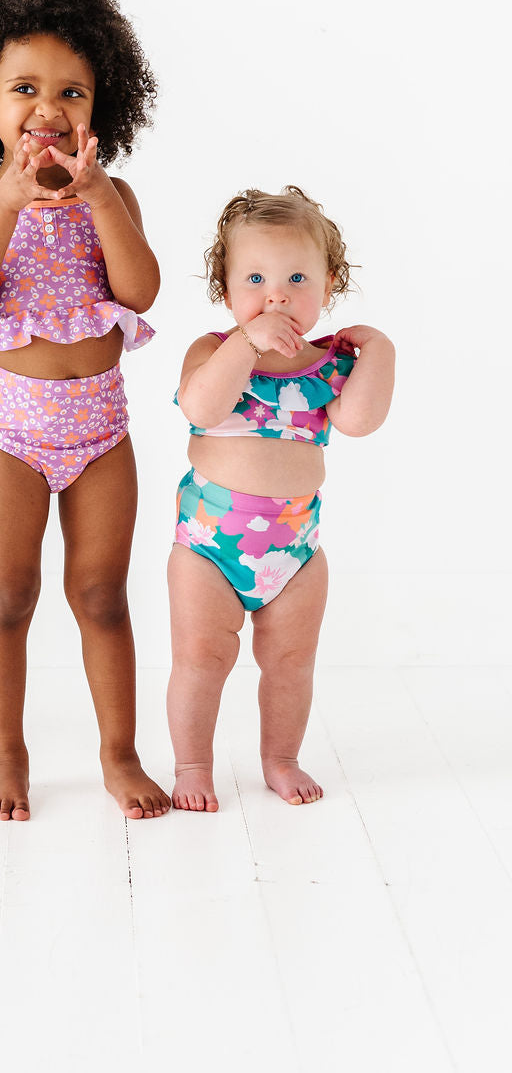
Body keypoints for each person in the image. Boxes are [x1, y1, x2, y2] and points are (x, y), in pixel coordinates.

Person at [0, 0, 170, 821]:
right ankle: (7, 752)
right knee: (8, 595)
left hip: (101, 430)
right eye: (24, 89)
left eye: (72, 91)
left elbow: (140, 290)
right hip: (10, 434)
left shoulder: (114, 195)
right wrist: (7, 201)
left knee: (102, 595)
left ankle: (120, 752)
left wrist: (100, 195)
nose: (49, 107)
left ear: (100, 111)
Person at [168, 186, 394, 811]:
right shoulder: (214, 351)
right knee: (200, 659)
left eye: (297, 278)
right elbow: (200, 408)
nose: (277, 296)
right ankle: (192, 765)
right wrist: (247, 343)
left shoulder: (331, 366)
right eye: (255, 279)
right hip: (208, 549)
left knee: (291, 662)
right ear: (225, 288)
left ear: (328, 286)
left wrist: (379, 351)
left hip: (296, 551)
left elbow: (359, 422)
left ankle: (281, 758)